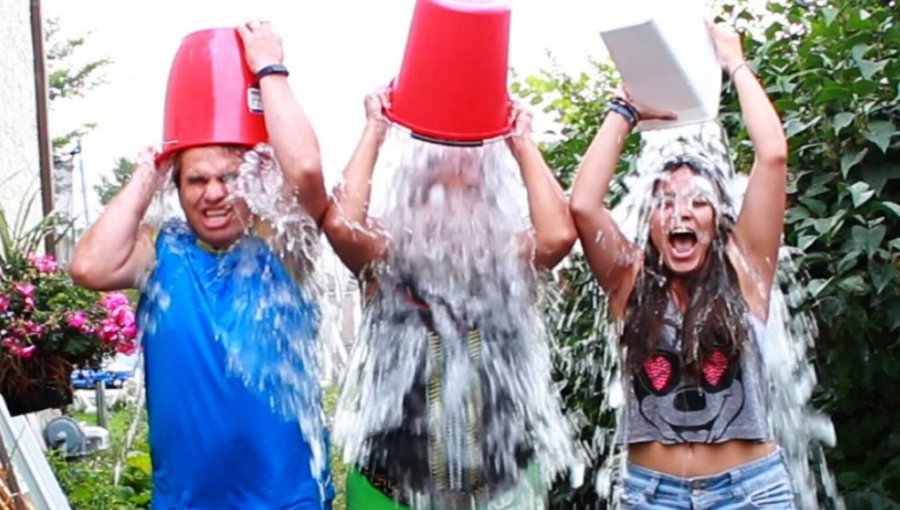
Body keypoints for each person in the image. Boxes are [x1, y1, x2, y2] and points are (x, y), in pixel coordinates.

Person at [69, 21, 333, 510]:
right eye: (196, 180)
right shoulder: (160, 251)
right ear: (178, 184)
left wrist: (269, 70)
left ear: (253, 177)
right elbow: (89, 266)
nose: (212, 193)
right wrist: (151, 170)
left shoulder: (284, 242)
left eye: (229, 177)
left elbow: (306, 169)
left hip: (287, 501)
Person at [569, 22, 793, 508]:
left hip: (749, 490)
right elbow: (584, 205)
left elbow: (772, 155)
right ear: (649, 221)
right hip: (651, 494)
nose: (681, 213)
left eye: (697, 202)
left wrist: (734, 62)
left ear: (718, 220)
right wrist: (624, 108)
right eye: (665, 202)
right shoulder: (628, 283)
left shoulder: (746, 269)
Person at [324, 90, 577, 509]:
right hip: (388, 493)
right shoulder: (386, 261)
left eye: (470, 194)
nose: (452, 210)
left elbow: (558, 235)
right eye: (437, 192)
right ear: (412, 204)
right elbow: (343, 226)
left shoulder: (506, 262)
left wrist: (521, 142)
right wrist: (375, 129)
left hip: (504, 492)